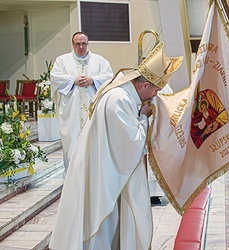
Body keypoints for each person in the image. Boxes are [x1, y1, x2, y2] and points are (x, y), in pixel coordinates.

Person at [49, 42, 183, 249]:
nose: (155, 95)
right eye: (155, 90)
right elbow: (131, 144)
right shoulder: (118, 100)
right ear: (144, 85)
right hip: (102, 175)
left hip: (106, 167)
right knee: (103, 223)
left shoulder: (123, 94)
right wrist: (144, 119)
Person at [50, 31, 113, 174]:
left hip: (94, 111)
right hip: (72, 112)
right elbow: (54, 77)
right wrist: (73, 80)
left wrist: (93, 80)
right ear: (73, 45)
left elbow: (109, 77)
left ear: (88, 44)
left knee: (95, 143)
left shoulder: (99, 61)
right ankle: (72, 179)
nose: (81, 47)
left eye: (84, 43)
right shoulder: (62, 60)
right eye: (77, 44)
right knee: (73, 142)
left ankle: (94, 177)